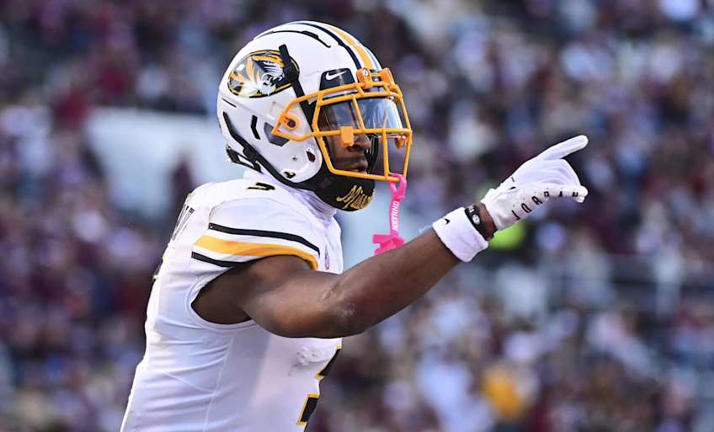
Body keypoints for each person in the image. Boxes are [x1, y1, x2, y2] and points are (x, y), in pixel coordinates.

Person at [120, 20, 589, 432]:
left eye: (366, 115)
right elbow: (337, 306)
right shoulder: (242, 208)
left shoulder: (310, 222)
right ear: (276, 126)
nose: (364, 137)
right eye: (343, 116)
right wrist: (483, 219)